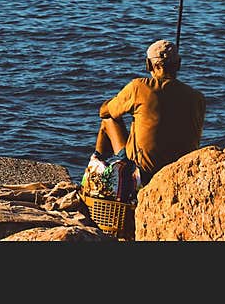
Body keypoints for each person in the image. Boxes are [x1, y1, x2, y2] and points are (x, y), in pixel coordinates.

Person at [81, 39, 206, 202]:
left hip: (142, 173)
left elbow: (104, 111)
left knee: (108, 120)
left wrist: (119, 102)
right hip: (179, 171)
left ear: (149, 65)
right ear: (179, 64)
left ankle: (92, 172)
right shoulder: (197, 98)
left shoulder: (139, 87)